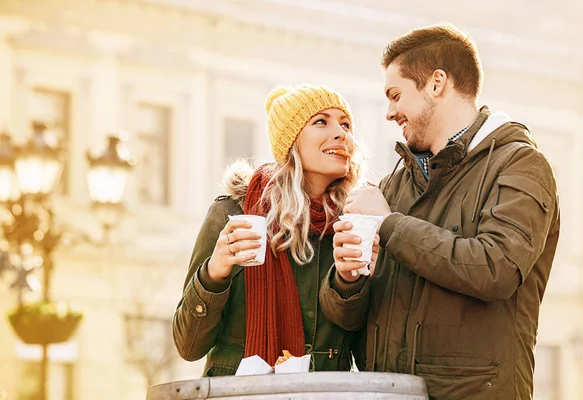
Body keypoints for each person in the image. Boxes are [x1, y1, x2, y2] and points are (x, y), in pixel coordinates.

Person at [320, 24, 560, 400]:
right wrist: (349, 280)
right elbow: (350, 321)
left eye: (396, 95)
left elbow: (494, 269)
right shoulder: (394, 185)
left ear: (437, 83)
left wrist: (389, 225)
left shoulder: (520, 165)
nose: (389, 112)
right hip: (389, 393)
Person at [173, 84, 372, 376]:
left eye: (345, 124)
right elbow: (188, 346)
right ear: (291, 141)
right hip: (240, 394)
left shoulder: (356, 223)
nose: (342, 133)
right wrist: (213, 273)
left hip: (325, 394)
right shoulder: (233, 212)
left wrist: (352, 281)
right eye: (321, 121)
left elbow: (366, 353)